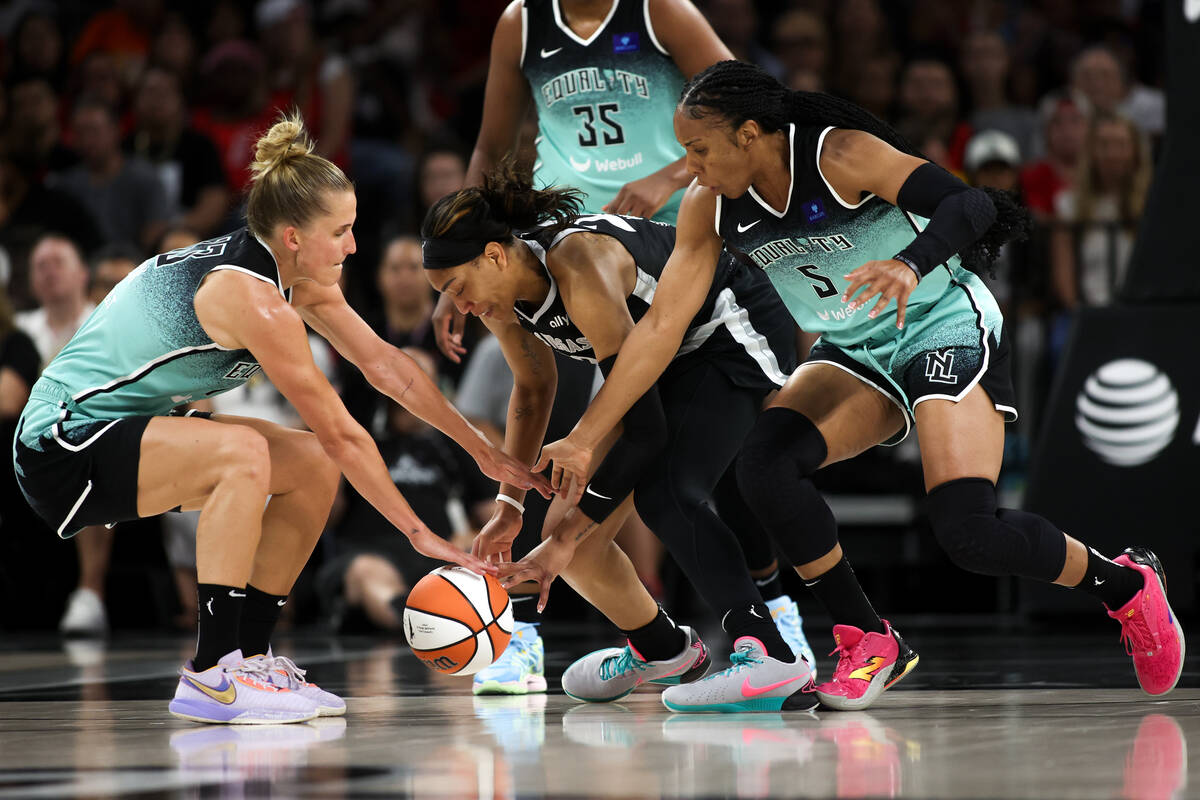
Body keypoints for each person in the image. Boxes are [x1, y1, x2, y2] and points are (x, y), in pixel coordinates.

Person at [533, 60, 1184, 713]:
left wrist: (910, 264)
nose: (690, 167)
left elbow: (971, 203)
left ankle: (1124, 585)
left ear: (752, 135)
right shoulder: (709, 206)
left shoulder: (840, 155)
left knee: (969, 534)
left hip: (940, 322)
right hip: (856, 347)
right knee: (763, 463)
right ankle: (868, 637)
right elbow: (659, 331)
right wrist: (587, 437)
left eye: (699, 148)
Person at [13, 114, 544, 725]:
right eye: (341, 231)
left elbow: (387, 367)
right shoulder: (253, 300)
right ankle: (214, 672)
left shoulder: (298, 280)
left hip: (126, 430)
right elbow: (343, 428)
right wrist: (418, 533)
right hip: (61, 444)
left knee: (311, 465)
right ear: (293, 236)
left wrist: (479, 447)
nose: (352, 245)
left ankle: (254, 657)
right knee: (246, 452)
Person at [435, 0, 815, 694]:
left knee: (683, 482)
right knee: (583, 515)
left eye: (459, 282)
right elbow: (493, 149)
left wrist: (672, 177)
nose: (458, 297)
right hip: (582, 262)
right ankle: (662, 647)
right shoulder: (521, 24)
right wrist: (453, 266)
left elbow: (754, 114)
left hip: (701, 282)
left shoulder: (660, 11)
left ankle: (772, 633)